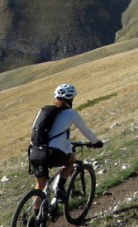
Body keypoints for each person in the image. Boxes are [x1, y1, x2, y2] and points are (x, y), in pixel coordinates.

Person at [30, 83, 103, 212]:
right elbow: (85, 131)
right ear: (72, 99)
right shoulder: (70, 113)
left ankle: (36, 218)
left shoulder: (44, 111)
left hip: (35, 152)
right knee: (70, 160)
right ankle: (59, 188)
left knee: (39, 185)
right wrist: (96, 142)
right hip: (52, 153)